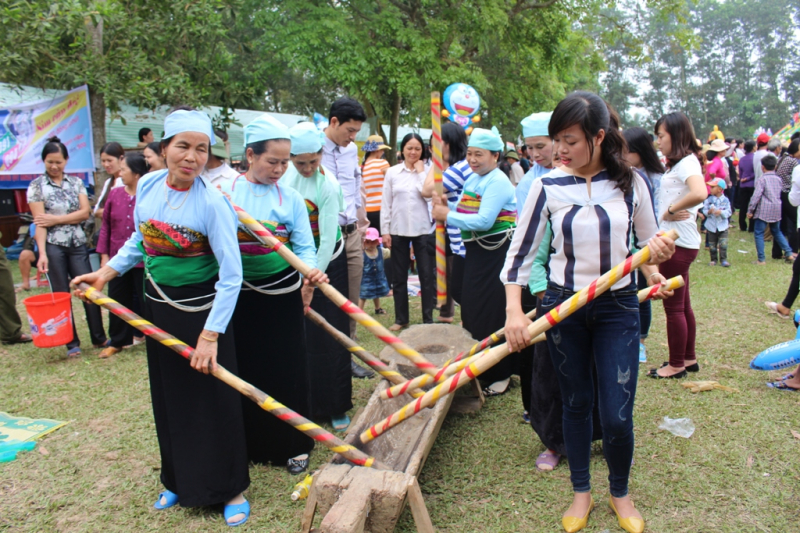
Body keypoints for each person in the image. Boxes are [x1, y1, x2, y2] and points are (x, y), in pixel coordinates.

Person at [502, 92, 675, 533]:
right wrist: (514, 313)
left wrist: (655, 264)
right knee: (575, 403)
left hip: (617, 306)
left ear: (599, 137)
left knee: (617, 413)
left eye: (570, 140)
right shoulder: (546, 185)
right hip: (564, 306)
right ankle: (582, 493)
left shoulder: (631, 183)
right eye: (556, 139)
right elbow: (519, 256)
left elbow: (648, 240)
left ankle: (621, 492)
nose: (559, 150)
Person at [73, 109, 250, 526]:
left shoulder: (212, 203)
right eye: (183, 146)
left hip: (203, 315)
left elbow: (232, 275)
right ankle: (176, 478)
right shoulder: (149, 185)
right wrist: (106, 272)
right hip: (159, 309)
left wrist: (210, 336)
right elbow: (139, 240)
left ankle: (231, 488)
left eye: (201, 149)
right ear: (164, 149)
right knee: (170, 397)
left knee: (213, 399)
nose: (191, 157)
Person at [219, 114, 327, 473]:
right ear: (250, 155)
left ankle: (294, 444)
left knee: (287, 369)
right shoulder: (225, 194)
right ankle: (254, 442)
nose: (281, 169)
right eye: (273, 161)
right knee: (248, 368)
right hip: (239, 298)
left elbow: (304, 247)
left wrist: (309, 273)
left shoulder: (291, 198)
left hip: (282, 295)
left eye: (285, 162)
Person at [432, 126, 518, 396]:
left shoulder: (498, 181)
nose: (472, 160)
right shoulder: (473, 179)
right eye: (469, 154)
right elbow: (467, 209)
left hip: (495, 254)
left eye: (478, 155)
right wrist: (449, 206)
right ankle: (478, 367)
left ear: (495, 156)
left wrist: (447, 214)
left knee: (491, 311)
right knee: (470, 308)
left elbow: (484, 220)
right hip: (475, 254)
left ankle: (500, 374)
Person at [282, 121, 356, 433]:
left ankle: (337, 405)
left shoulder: (327, 186)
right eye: (301, 163)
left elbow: (326, 240)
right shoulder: (283, 180)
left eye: (314, 160)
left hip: (326, 267)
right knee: (300, 338)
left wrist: (311, 282)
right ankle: (308, 404)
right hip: (293, 263)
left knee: (331, 336)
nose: (309, 168)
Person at [28, 136, 108, 357]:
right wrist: (42, 253)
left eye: (59, 162)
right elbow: (40, 223)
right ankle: (71, 342)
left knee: (87, 290)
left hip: (78, 243)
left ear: (66, 161)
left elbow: (85, 213)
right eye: (50, 162)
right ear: (44, 161)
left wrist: (54, 219)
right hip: (53, 246)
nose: (54, 166)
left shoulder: (76, 183)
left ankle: (99, 338)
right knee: (61, 294)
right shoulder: (36, 187)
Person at [651, 111, 708, 379]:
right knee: (683, 306)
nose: (658, 141)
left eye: (661, 135)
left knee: (673, 308)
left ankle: (675, 365)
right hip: (682, 241)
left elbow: (700, 192)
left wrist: (670, 211)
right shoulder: (682, 163)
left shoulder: (686, 163)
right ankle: (688, 358)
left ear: (676, 134)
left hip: (677, 244)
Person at [321, 98, 369, 346]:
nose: (352, 137)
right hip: (323, 236)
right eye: (350, 130)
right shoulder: (312, 150)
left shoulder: (351, 151)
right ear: (334, 121)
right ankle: (325, 349)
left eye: (356, 132)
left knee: (351, 296)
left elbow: (356, 187)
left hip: (351, 234)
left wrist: (363, 226)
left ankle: (349, 350)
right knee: (325, 296)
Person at [95, 152, 149, 358]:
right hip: (118, 258)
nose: (120, 173)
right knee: (117, 299)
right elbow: (106, 227)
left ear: (136, 173)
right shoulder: (115, 194)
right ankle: (118, 341)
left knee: (147, 302)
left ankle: (153, 338)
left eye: (124, 169)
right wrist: (104, 255)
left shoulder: (148, 196)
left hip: (143, 260)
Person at [381, 133, 435, 330]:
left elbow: (429, 197)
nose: (413, 152)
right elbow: (386, 203)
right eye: (409, 148)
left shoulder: (428, 172)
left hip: (423, 230)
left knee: (426, 276)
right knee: (399, 277)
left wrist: (421, 173)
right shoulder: (392, 172)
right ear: (402, 149)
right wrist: (385, 230)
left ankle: (427, 319)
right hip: (398, 229)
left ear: (423, 151)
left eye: (417, 148)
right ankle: (401, 319)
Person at [622, 126, 666, 363]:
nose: (622, 156)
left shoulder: (652, 179)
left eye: (626, 151)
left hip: (645, 243)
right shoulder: (621, 174)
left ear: (640, 151)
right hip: (627, 244)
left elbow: (653, 216)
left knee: (644, 292)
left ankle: (640, 340)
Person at [421, 122, 471, 321]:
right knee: (459, 289)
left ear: (449, 144)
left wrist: (436, 160)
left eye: (437, 144)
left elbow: (426, 190)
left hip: (464, 238)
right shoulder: (458, 167)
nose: (434, 149)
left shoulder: (459, 169)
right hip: (460, 238)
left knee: (461, 290)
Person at [748, 154, 796, 264]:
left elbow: (756, 196)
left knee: (759, 233)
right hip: (777, 208)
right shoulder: (779, 179)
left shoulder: (762, 180)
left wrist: (750, 210)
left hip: (764, 210)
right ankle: (788, 253)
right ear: (775, 167)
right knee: (777, 232)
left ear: (762, 167)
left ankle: (761, 259)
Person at [774, 139, 800, 254]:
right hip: (788, 194)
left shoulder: (783, 158)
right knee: (795, 222)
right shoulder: (794, 162)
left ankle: (777, 252)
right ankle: (793, 250)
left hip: (780, 193)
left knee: (781, 224)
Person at [362, 135, 392, 233]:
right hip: (381, 210)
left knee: (371, 243)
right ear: (377, 150)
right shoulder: (382, 164)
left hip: (366, 212)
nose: (383, 152)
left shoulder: (362, 167)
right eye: (382, 150)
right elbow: (392, 182)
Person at [360, 227, 390, 314]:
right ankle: (359, 312)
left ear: (377, 241)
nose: (371, 244)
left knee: (376, 293)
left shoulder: (381, 252)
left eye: (373, 241)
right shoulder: (362, 254)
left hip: (378, 278)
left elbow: (391, 253)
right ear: (364, 242)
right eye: (367, 242)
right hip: (366, 280)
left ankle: (378, 308)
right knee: (363, 295)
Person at [703, 178, 731, 267]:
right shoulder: (708, 200)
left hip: (722, 226)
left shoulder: (725, 200)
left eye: (712, 187)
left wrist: (721, 212)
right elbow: (704, 210)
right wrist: (708, 212)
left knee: (723, 244)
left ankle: (723, 259)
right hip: (711, 226)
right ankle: (713, 260)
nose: (710, 189)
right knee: (712, 244)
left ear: (719, 189)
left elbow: (729, 211)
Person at [94, 142, 125, 219]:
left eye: (109, 160)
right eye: (103, 161)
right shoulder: (108, 182)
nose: (106, 165)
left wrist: (105, 211)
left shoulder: (127, 182)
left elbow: (122, 211)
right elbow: (96, 211)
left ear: (121, 159)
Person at [738, 140, 757, 232]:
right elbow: (755, 172)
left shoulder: (742, 159)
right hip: (752, 184)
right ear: (753, 147)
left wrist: (743, 178)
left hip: (743, 185)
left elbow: (740, 172)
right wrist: (749, 178)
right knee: (752, 205)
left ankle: (742, 225)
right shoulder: (755, 158)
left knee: (743, 205)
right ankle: (751, 226)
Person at [17, 222, 39, 292]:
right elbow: (37, 237)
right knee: (25, 254)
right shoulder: (34, 225)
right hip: (41, 253)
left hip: (60, 252)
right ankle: (26, 284)